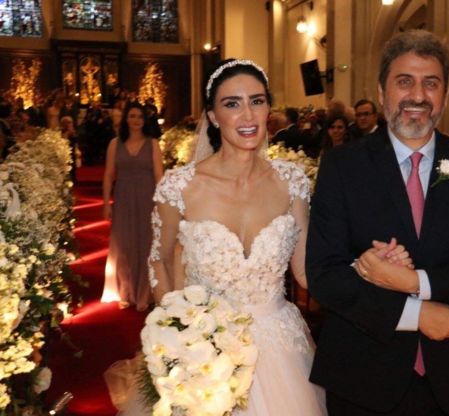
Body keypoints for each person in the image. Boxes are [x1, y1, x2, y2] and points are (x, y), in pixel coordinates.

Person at [307, 30, 449, 416]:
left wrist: (415, 283)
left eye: (430, 83)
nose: (417, 96)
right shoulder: (343, 166)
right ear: (382, 92)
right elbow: (325, 275)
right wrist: (418, 314)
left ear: (446, 97)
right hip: (364, 375)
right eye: (404, 81)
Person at [128, 59, 333, 415]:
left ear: (269, 108)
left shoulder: (292, 181)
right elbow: (159, 259)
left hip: (281, 347)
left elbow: (305, 271)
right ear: (211, 115)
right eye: (232, 104)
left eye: (257, 101)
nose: (248, 115)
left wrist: (369, 269)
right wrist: (180, 330)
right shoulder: (179, 186)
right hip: (206, 350)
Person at [101, 102, 164, 311]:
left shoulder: (153, 143)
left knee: (147, 244)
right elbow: (109, 175)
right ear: (125, 119)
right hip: (124, 198)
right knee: (125, 245)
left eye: (139, 117)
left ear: (144, 120)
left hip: (148, 198)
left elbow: (159, 175)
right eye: (132, 116)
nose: (136, 121)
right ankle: (126, 291)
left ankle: (145, 293)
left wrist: (163, 203)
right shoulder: (114, 144)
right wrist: (106, 203)